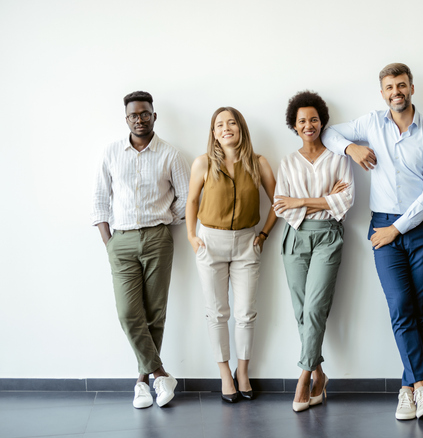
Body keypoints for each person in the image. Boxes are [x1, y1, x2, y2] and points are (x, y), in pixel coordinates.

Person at [321, 63, 423, 420]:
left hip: (420, 226)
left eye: (402, 85)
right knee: (400, 303)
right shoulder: (371, 123)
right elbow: (329, 133)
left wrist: (399, 229)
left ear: (411, 88)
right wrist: (351, 150)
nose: (396, 91)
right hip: (382, 227)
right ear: (382, 92)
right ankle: (421, 386)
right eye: (390, 86)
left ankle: (408, 388)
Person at [91, 91, 190, 409]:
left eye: (145, 113)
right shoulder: (111, 152)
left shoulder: (170, 154)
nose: (139, 119)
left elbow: (187, 199)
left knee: (154, 314)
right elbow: (99, 200)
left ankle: (142, 383)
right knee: (128, 313)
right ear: (126, 119)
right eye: (133, 115)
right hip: (120, 241)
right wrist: (110, 243)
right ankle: (160, 373)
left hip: (158, 239)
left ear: (154, 116)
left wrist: (164, 221)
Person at [186, 107, 277, 403]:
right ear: (213, 132)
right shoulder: (202, 164)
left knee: (246, 313)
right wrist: (191, 236)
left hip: (246, 243)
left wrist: (263, 235)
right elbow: (191, 201)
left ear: (241, 128)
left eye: (232, 123)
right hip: (211, 242)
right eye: (220, 125)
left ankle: (243, 371)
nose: (226, 128)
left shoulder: (258, 162)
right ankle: (225, 374)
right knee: (217, 313)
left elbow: (278, 203)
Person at [273, 91, 355, 412]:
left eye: (314, 119)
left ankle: (304, 376)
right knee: (300, 310)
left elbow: (345, 202)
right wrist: (323, 199)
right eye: (302, 121)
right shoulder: (288, 162)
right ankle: (321, 374)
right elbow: (282, 205)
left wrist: (301, 201)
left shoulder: (338, 158)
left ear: (322, 122)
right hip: (294, 238)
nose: (309, 125)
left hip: (327, 237)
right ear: (294, 126)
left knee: (316, 307)